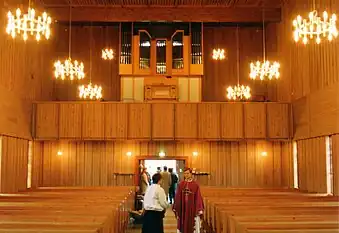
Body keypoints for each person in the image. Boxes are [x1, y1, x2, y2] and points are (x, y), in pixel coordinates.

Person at [173, 168, 204, 233]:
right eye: (185, 173)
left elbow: (198, 197)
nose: (186, 175)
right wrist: (176, 206)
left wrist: (199, 208)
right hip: (183, 208)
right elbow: (177, 196)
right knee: (183, 222)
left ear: (191, 174)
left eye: (187, 173)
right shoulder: (181, 184)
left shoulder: (195, 185)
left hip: (192, 208)